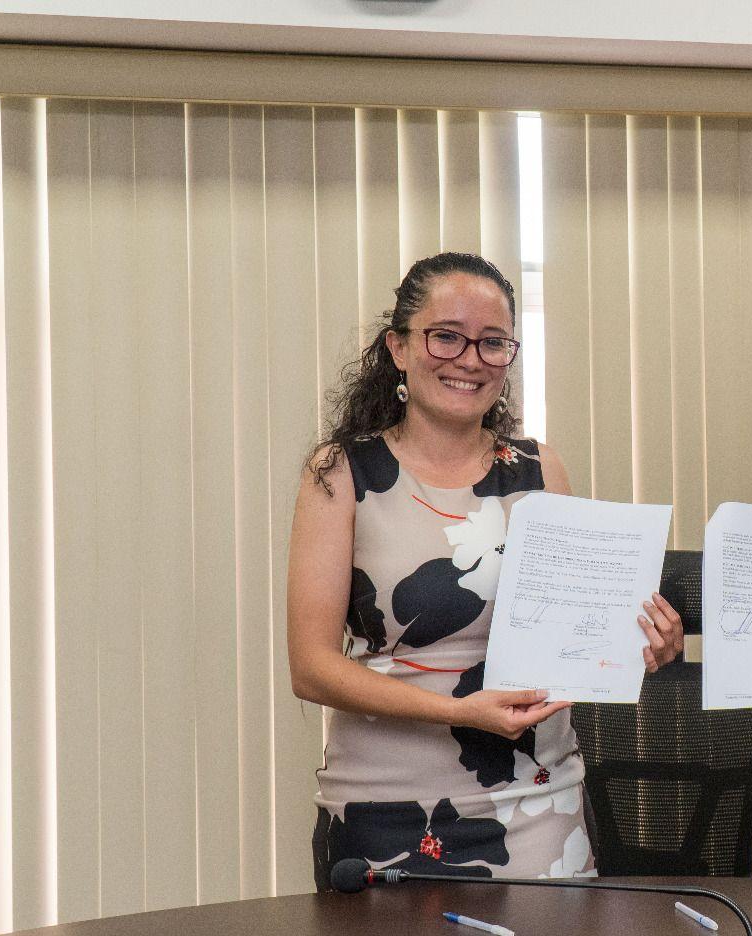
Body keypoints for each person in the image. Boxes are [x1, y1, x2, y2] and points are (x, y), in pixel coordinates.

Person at [286, 252, 684, 886]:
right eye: (447, 336)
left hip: (538, 807)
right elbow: (311, 668)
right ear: (398, 348)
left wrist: (641, 643)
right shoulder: (341, 474)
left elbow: (572, 637)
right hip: (382, 813)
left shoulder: (538, 470)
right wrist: (465, 712)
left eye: (493, 343)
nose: (470, 358)